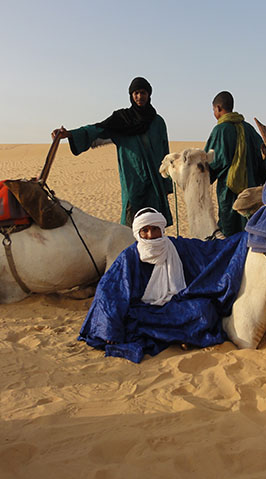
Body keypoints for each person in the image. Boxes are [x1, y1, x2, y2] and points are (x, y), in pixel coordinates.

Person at [78, 207, 249, 363]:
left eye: (155, 229)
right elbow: (109, 291)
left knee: (205, 311)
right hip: (145, 310)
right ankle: (182, 337)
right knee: (129, 321)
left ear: (162, 230)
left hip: (176, 304)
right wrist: (109, 328)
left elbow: (209, 251)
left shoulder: (177, 247)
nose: (151, 235)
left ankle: (177, 337)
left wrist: (244, 238)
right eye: (145, 231)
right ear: (138, 233)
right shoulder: (129, 257)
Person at [51, 77, 173, 227]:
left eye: (143, 93)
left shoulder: (158, 122)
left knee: (154, 223)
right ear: (131, 95)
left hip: (155, 181)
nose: (140, 97)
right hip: (132, 179)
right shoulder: (121, 119)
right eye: (136, 93)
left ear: (149, 95)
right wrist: (70, 134)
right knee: (131, 222)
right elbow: (97, 129)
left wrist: (167, 183)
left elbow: (166, 154)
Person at [204, 91, 266, 236]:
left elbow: (211, 162)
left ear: (219, 108)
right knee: (251, 227)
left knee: (229, 228)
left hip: (228, 192)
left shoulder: (220, 130)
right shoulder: (249, 129)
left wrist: (204, 179)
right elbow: (264, 158)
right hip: (251, 191)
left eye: (214, 110)